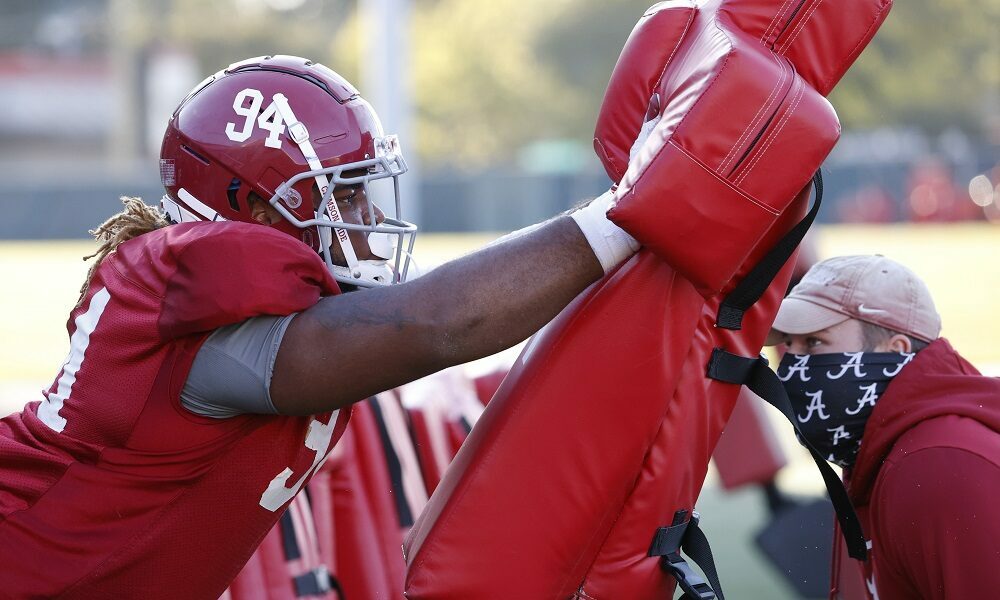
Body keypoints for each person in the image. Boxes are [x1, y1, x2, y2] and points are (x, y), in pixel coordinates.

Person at [0, 55, 641, 598]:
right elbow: (438, 325)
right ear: (254, 209)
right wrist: (632, 211)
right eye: (345, 194)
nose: (365, 216)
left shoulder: (226, 302)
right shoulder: (203, 330)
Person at [767, 254, 1000, 599]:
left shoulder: (939, 466)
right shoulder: (883, 450)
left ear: (894, 351)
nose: (793, 365)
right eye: (790, 344)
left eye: (814, 343)